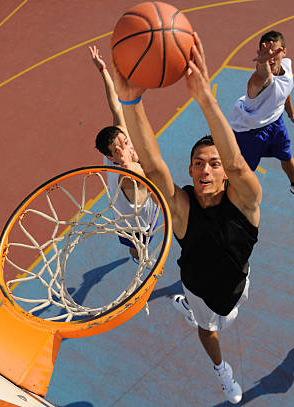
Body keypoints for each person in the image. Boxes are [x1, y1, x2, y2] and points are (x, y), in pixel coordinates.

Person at [112, 33, 261, 404]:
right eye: (198, 164)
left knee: (233, 311)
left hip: (238, 285)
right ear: (190, 171)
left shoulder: (246, 201)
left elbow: (239, 165)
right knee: (208, 331)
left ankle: (198, 307)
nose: (205, 170)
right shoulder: (181, 207)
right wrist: (131, 101)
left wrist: (205, 98)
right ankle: (221, 372)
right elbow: (153, 165)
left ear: (224, 172)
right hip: (199, 291)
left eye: (214, 164)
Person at [229, 30, 294, 207]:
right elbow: (264, 77)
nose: (271, 57)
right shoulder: (259, 81)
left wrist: (291, 114)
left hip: (276, 123)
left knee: (287, 156)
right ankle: (229, 199)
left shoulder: (287, 67)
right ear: (260, 54)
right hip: (250, 132)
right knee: (243, 173)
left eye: (275, 52)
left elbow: (286, 91)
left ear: (284, 52)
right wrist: (262, 64)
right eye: (266, 53)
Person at [89, 45, 157, 263]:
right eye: (120, 150)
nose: (128, 148)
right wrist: (131, 163)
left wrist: (103, 70)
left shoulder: (121, 144)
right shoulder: (125, 176)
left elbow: (115, 107)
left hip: (147, 209)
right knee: (138, 248)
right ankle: (138, 258)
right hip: (132, 224)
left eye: (126, 142)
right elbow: (140, 172)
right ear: (111, 158)